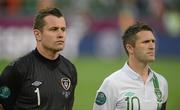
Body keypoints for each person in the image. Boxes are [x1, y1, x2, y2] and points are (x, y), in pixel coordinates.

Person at [0, 8, 77, 110]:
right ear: (38, 34)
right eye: (54, 29)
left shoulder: (70, 69)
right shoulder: (18, 69)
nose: (60, 34)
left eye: (63, 29)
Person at [93, 22, 168, 110]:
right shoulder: (112, 83)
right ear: (130, 48)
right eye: (145, 42)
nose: (152, 46)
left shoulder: (161, 82)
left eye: (153, 41)